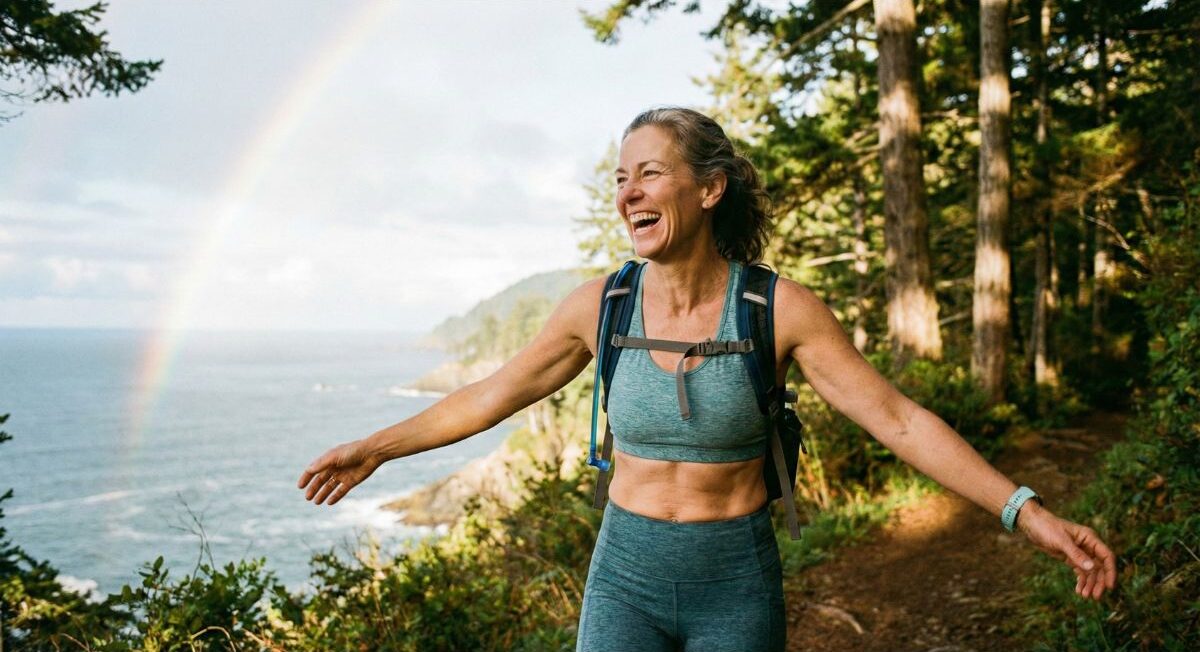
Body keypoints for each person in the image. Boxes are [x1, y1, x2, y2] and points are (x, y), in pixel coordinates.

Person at [298, 107, 1117, 651]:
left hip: (736, 580)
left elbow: (898, 421)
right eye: (620, 179)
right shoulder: (602, 305)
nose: (629, 192)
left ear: (709, 188)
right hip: (625, 575)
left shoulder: (776, 308)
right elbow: (489, 395)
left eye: (649, 173)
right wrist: (377, 447)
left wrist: (1025, 512)